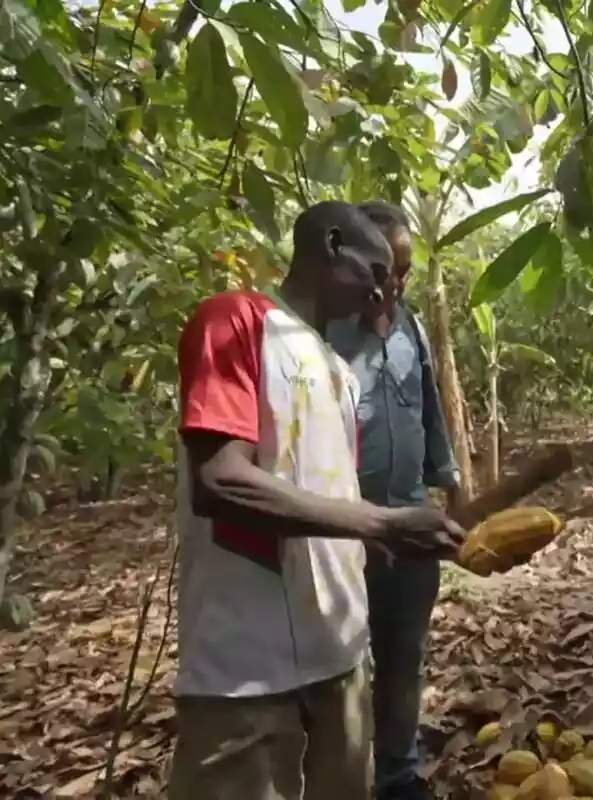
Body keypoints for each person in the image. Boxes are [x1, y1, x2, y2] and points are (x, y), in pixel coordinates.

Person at [168, 200, 466, 800]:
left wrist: (374, 542)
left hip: (340, 660)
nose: (384, 294)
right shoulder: (236, 320)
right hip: (246, 669)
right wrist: (378, 523)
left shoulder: (336, 369)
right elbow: (220, 481)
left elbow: (328, 494)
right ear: (332, 244)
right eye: (376, 272)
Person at [326, 201, 461, 800]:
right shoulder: (323, 329)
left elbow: (428, 410)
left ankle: (400, 775)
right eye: (386, 270)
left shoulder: (410, 327)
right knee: (342, 668)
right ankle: (344, 777)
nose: (395, 284)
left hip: (409, 521)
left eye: (404, 271)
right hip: (340, 531)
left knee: (404, 657)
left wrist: (452, 484)